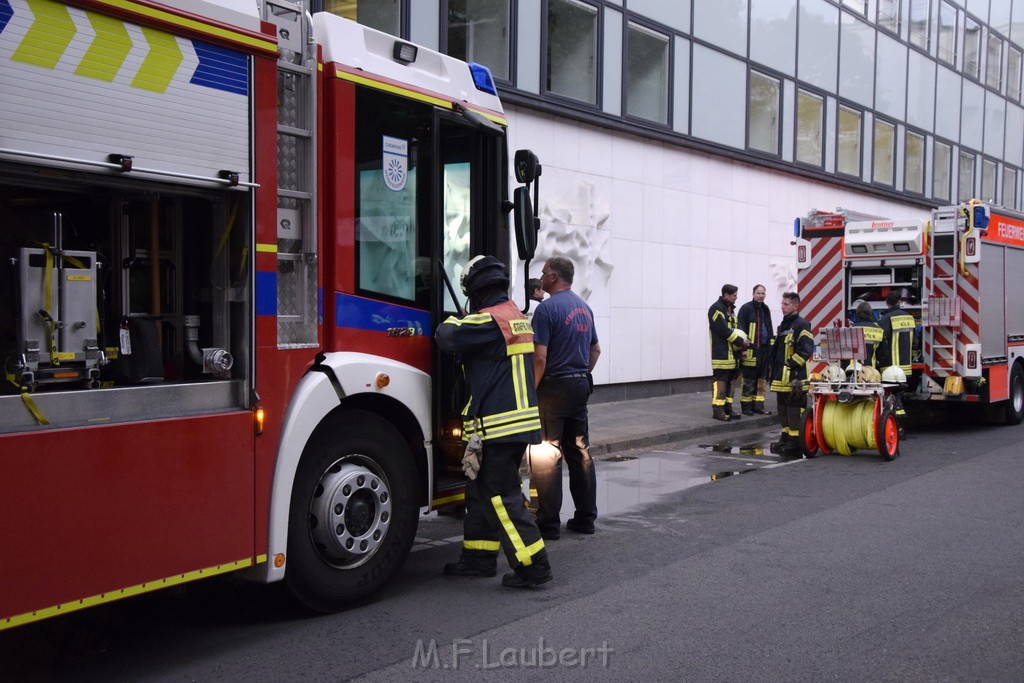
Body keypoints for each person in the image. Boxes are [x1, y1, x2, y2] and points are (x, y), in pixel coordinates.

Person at [435, 255, 552, 588]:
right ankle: (478, 557)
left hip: (499, 427)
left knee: (501, 496)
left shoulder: (490, 321)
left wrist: (458, 318)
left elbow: (447, 335)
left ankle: (534, 566)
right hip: (511, 426)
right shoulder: (515, 316)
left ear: (477, 289)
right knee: (480, 492)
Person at [530, 256, 601, 539]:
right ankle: (585, 519)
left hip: (553, 389)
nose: (542, 275)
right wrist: (581, 374)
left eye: (545, 271)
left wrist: (531, 390)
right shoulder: (585, 308)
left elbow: (540, 357)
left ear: (555, 276)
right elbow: (595, 350)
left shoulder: (546, 310)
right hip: (580, 386)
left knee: (547, 454)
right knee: (580, 452)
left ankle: (548, 525)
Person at [768, 292, 815, 457]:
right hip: (781, 377)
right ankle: (786, 436)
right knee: (783, 409)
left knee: (794, 410)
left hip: (795, 378)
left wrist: (790, 365)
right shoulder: (783, 325)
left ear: (796, 306)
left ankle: (795, 441)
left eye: (786, 304)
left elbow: (806, 350)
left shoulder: (802, 325)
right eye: (782, 303)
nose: (782, 307)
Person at [708, 284, 749, 421]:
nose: (736, 298)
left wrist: (744, 341)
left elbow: (735, 329)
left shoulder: (730, 309)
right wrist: (740, 342)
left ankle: (728, 408)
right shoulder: (716, 309)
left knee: (731, 383)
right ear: (726, 295)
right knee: (720, 383)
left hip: (733, 355)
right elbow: (723, 330)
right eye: (734, 295)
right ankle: (718, 411)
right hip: (722, 355)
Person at [737, 284, 774, 416]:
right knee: (748, 380)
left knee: (761, 380)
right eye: (758, 293)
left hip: (764, 350)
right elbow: (741, 329)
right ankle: (746, 408)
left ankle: (758, 406)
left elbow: (769, 328)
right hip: (751, 350)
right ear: (753, 294)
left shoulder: (765, 309)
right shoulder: (746, 309)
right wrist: (743, 348)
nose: (761, 296)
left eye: (763, 293)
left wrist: (771, 348)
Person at [876, 291, 914, 376]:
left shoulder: (886, 319)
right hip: (906, 367)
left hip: (890, 368)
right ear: (899, 302)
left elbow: (879, 342)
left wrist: (879, 358)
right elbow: (915, 340)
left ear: (886, 302)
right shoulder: (909, 317)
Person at [852, 300, 882, 369]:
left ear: (857, 314)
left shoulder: (851, 329)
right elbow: (881, 353)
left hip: (853, 370)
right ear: (870, 313)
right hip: (870, 371)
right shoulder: (878, 329)